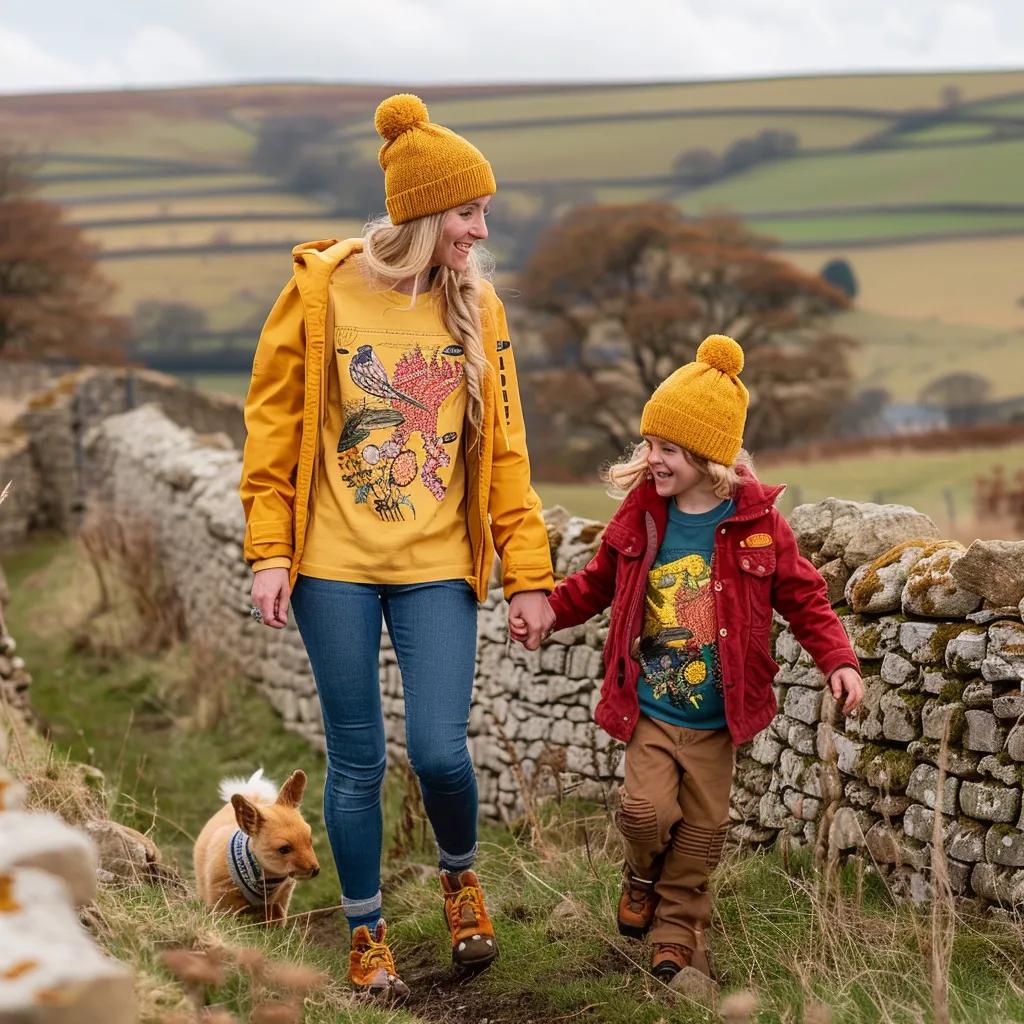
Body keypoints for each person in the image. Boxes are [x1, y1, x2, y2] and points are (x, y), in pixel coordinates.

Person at [240, 93, 555, 1000]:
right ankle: (366, 935)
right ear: (422, 214)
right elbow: (272, 430)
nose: (481, 230)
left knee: (441, 750)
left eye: (483, 212)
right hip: (331, 567)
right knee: (357, 760)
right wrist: (270, 552)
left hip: (438, 568)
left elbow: (506, 451)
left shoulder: (479, 307)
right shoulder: (319, 293)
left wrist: (528, 573)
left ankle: (460, 881)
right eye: (468, 213)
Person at [513, 335, 863, 983]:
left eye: (668, 449)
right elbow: (595, 582)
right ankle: (640, 874)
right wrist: (548, 613)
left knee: (701, 836)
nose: (653, 459)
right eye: (650, 444)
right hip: (649, 708)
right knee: (644, 815)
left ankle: (677, 934)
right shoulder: (643, 514)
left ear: (709, 457)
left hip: (715, 719)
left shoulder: (760, 526)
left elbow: (805, 597)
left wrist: (837, 659)